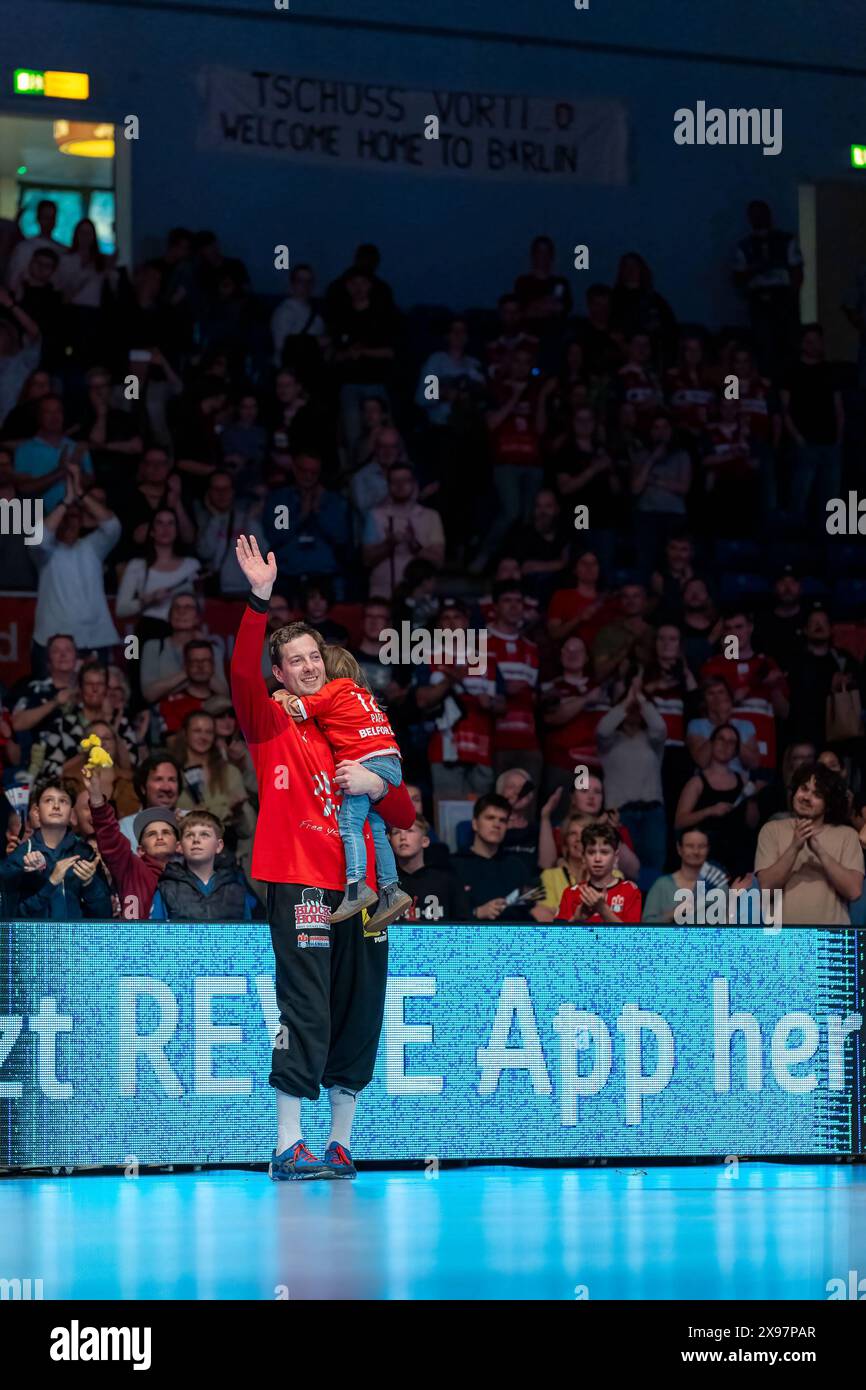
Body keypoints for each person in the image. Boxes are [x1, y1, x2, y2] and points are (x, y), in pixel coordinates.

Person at [232, 533, 415, 1181]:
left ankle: (339, 1143)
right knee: (306, 1006)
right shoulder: (271, 721)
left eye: (315, 657)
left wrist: (379, 784)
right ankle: (287, 1144)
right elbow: (239, 674)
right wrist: (258, 600)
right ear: (278, 673)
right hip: (301, 881)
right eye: (295, 660)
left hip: (364, 887)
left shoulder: (344, 724)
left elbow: (407, 818)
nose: (308, 666)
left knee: (361, 1007)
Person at [273, 645, 411, 930]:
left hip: (368, 764)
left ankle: (356, 888)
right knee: (375, 827)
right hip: (389, 759)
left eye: (316, 663)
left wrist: (283, 696)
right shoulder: (360, 697)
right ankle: (391, 890)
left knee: (350, 824)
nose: (310, 671)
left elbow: (406, 816)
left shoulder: (332, 695)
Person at [32, 471, 121, 670]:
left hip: (96, 638)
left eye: (74, 516)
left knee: (96, 697)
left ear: (82, 521)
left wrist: (80, 493)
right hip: (53, 642)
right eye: (64, 517)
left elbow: (112, 526)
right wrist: (66, 502)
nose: (69, 521)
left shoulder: (93, 547)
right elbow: (38, 537)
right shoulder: (45, 553)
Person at [755, 762, 863, 924]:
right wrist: (795, 846)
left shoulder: (846, 835)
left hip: (831, 938)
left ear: (828, 804)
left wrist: (819, 851)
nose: (806, 797)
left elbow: (854, 891)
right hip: (783, 938)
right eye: (804, 789)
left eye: (817, 794)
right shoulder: (771, 830)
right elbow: (766, 888)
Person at [0, 777, 111, 920]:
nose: (56, 806)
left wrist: (90, 884)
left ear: (71, 813)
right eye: (48, 800)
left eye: (63, 801)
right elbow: (10, 917)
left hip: (76, 941)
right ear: (36, 812)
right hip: (35, 941)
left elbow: (105, 916)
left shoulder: (86, 854)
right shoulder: (20, 857)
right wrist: (51, 883)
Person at [595, 675, 668, 870]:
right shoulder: (609, 742)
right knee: (622, 869)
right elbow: (603, 730)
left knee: (653, 868)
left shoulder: (652, 741)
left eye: (638, 708)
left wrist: (641, 699)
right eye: (630, 707)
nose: (634, 710)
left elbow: (660, 727)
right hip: (620, 814)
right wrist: (627, 701)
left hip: (652, 813)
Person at [87, 765, 179, 920]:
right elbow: (110, 837)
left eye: (166, 832)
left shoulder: (186, 878)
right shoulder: (130, 869)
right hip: (131, 942)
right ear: (140, 849)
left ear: (178, 846)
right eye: (151, 834)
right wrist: (97, 798)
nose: (160, 837)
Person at [674, 724, 758, 878]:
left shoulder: (744, 781)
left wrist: (752, 800)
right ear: (711, 743)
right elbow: (680, 821)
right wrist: (710, 811)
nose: (725, 745)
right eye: (721, 739)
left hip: (738, 855)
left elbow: (752, 824)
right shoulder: (697, 782)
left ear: (736, 750)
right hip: (707, 857)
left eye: (731, 742)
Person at [780, 324, 844, 520]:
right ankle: (796, 541)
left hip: (830, 443)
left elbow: (838, 406)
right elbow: (785, 409)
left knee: (831, 499)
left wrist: (839, 437)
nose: (816, 345)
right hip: (805, 442)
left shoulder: (829, 370)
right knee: (800, 496)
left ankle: (829, 544)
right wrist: (797, 438)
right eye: (811, 341)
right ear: (803, 344)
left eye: (818, 340)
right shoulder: (791, 371)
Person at [732, 200, 803, 376]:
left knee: (788, 346)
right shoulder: (745, 246)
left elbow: (796, 272)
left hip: (784, 298)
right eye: (754, 214)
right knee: (764, 347)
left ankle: (788, 390)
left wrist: (791, 297)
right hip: (759, 300)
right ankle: (764, 389)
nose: (758, 217)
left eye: (761, 213)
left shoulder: (786, 240)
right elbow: (738, 278)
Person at [150, 811, 259, 921]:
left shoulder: (236, 889)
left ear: (219, 846)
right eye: (189, 835)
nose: (196, 840)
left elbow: (248, 934)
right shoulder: (167, 889)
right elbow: (157, 934)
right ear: (180, 847)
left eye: (204, 834)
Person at [450, 793, 540, 922]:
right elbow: (444, 913)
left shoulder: (517, 866)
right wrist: (477, 912)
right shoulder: (454, 865)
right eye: (490, 818)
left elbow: (531, 911)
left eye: (502, 820)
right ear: (475, 824)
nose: (497, 824)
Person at [115, 507, 201, 642]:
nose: (165, 528)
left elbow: (200, 604)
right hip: (146, 630)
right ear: (152, 531)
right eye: (159, 523)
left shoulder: (191, 565)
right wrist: (149, 600)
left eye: (170, 523)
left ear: (177, 530)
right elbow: (121, 610)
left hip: (182, 631)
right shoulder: (137, 565)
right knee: (135, 659)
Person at [362, 462, 445, 598]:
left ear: (414, 483)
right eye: (395, 481)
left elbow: (438, 561)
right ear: (388, 485)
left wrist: (415, 546)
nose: (400, 485)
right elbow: (367, 560)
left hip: (416, 598)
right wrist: (389, 544)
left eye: (405, 480)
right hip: (383, 597)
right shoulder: (375, 516)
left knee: (404, 621)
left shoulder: (431, 516)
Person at [642, 827, 750, 923]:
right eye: (690, 846)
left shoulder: (719, 885)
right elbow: (646, 924)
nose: (696, 851)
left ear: (708, 849)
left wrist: (732, 898)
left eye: (701, 846)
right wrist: (675, 913)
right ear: (679, 849)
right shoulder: (662, 885)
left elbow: (728, 925)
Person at [554, 821, 641, 923]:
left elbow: (631, 937)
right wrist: (576, 920)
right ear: (583, 857)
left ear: (616, 857)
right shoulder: (570, 894)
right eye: (591, 852)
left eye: (604, 852)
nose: (597, 859)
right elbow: (557, 937)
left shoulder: (630, 891)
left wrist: (603, 909)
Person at [388, 816, 471, 922]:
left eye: (410, 830)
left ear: (425, 841)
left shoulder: (447, 880)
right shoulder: (384, 883)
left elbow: (463, 923)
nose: (402, 837)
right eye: (396, 832)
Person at [118, 751, 183, 848]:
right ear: (143, 787)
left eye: (172, 780)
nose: (166, 788)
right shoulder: (126, 828)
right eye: (158, 779)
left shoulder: (192, 822)